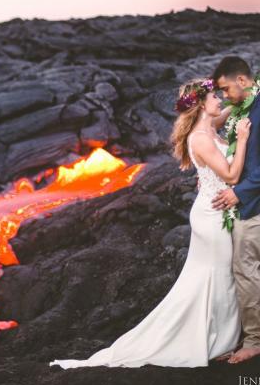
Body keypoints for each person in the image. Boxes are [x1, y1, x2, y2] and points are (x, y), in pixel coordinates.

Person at [48, 77, 251, 369]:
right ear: (202, 105)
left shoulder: (209, 126)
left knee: (215, 278)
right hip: (213, 215)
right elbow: (231, 176)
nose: (219, 98)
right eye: (214, 96)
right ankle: (209, 339)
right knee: (218, 277)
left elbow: (231, 108)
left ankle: (218, 336)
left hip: (215, 210)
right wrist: (242, 140)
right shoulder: (201, 138)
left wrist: (250, 93)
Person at [211, 56, 260, 364]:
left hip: (252, 205)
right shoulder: (244, 107)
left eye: (226, 89)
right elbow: (208, 122)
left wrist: (238, 193)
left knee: (246, 271)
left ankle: (255, 340)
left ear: (242, 81)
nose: (224, 96)